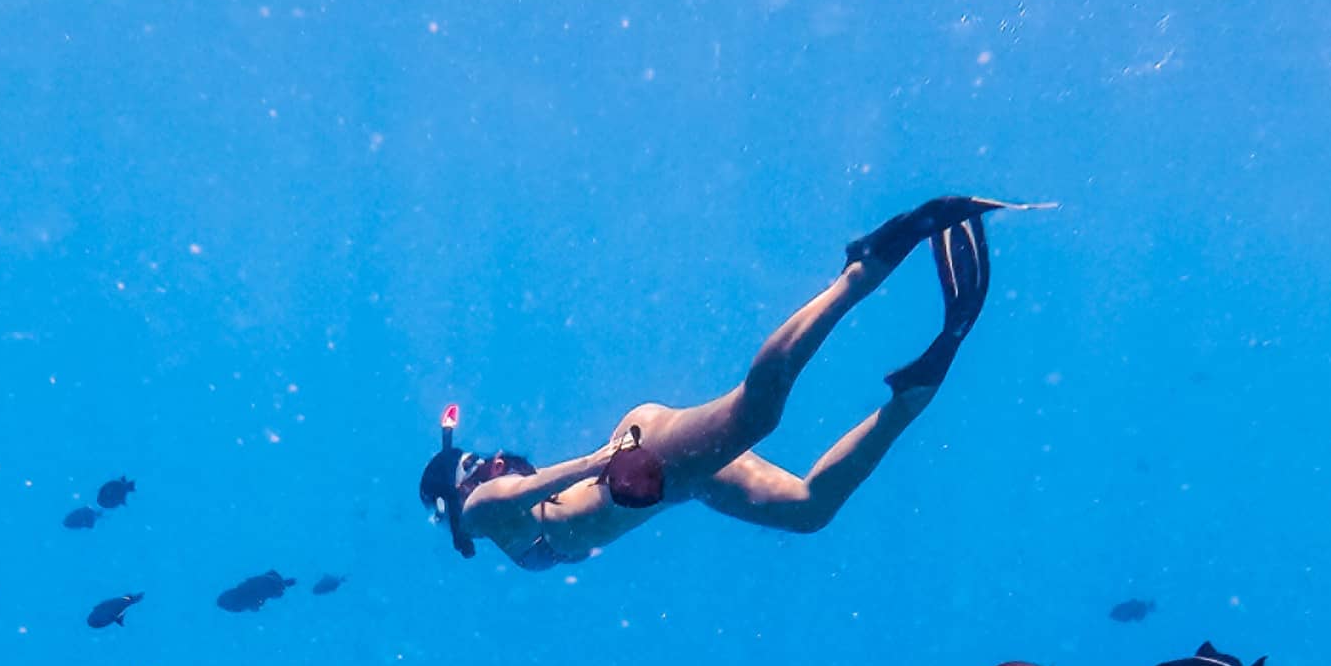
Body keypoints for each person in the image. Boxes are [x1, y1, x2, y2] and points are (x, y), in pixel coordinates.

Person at [419, 196, 1038, 570]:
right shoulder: (480, 517)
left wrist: (601, 461)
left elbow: (504, 495)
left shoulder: (493, 505)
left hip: (636, 461)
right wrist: (596, 463)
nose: (491, 461)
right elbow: (488, 503)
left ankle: (859, 273)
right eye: (472, 465)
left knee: (758, 414)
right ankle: (911, 398)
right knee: (807, 510)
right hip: (658, 478)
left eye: (480, 456)